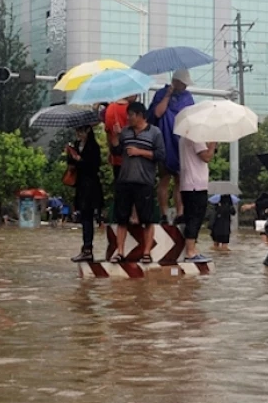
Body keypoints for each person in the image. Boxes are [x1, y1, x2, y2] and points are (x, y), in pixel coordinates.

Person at [110, 101, 166, 264]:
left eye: (131, 115)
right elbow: (117, 152)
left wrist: (139, 152)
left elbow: (161, 155)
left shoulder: (155, 132)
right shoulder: (125, 132)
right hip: (125, 180)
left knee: (147, 219)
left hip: (144, 182)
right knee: (121, 218)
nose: (128, 118)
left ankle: (146, 252)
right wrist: (115, 138)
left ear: (140, 115)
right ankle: (119, 252)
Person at [149, 69, 195, 223]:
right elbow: (156, 114)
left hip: (181, 141)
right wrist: (168, 95)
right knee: (164, 177)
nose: (185, 87)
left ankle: (180, 213)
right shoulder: (161, 94)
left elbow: (191, 117)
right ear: (176, 82)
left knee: (180, 179)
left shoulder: (187, 97)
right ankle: (163, 213)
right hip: (164, 140)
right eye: (183, 84)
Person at [68, 125, 104, 262]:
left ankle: (88, 249)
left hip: (91, 185)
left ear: (87, 131)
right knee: (84, 218)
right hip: (80, 185)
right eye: (77, 131)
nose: (78, 134)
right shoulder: (76, 145)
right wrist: (71, 156)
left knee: (88, 217)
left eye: (80, 131)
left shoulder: (93, 147)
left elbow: (94, 166)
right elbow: (72, 165)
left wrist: (80, 160)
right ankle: (86, 248)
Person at [178, 136, 215, 262]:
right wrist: (213, 142)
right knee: (195, 218)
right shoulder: (196, 138)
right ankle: (190, 252)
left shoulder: (183, 138)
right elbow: (207, 157)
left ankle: (192, 249)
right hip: (196, 185)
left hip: (187, 184)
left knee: (191, 217)